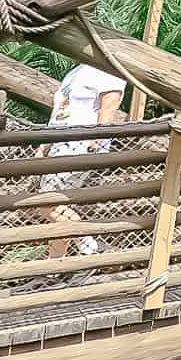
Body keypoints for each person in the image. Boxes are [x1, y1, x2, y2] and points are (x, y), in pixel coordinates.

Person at [43, 62, 127, 260]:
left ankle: (90, 245)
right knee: (57, 205)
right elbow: (60, 112)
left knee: (48, 204)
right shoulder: (75, 72)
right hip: (58, 144)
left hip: (79, 145)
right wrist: (44, 145)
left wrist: (95, 143)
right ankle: (54, 267)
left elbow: (110, 106)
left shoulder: (109, 69)